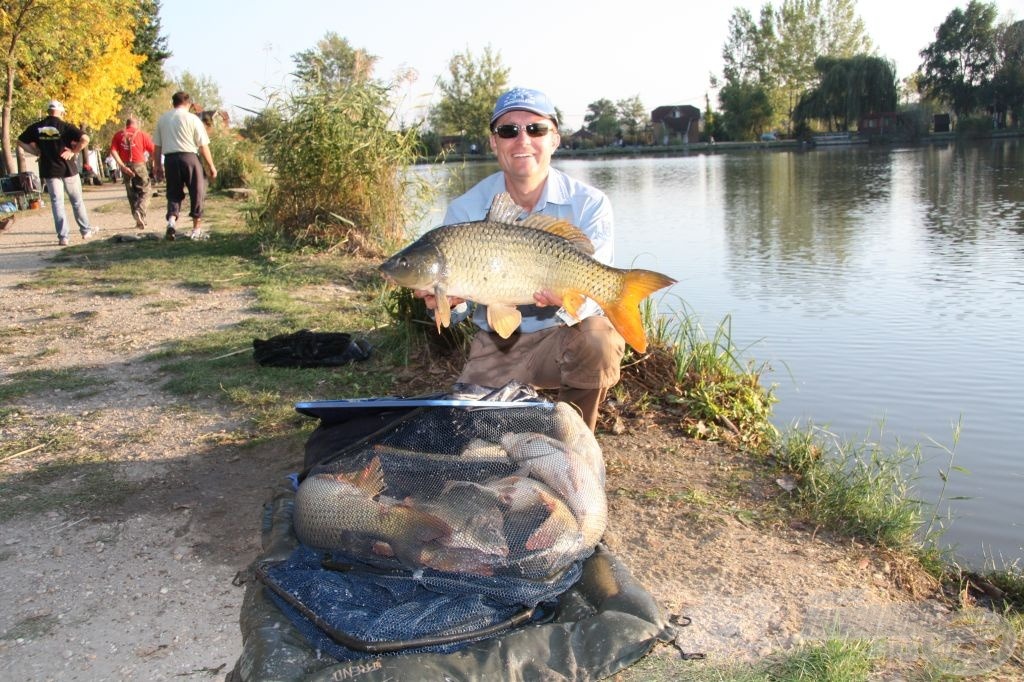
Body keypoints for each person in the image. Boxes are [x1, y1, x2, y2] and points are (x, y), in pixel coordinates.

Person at [415, 87, 624, 432]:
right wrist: (447, 304)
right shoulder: (465, 210)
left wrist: (571, 298)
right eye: (508, 131)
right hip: (498, 340)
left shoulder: (590, 203)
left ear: (554, 139)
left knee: (597, 341)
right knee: (472, 434)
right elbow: (462, 311)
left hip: (563, 334)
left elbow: (593, 292)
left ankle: (574, 438)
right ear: (494, 143)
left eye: (536, 129)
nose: (522, 139)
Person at [17, 100, 99, 246]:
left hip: (49, 170)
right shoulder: (65, 126)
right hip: (68, 169)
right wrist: (74, 152)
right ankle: (85, 231)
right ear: (60, 112)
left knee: (57, 203)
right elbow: (85, 138)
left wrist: (36, 151)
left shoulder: (37, 127)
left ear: (48, 111)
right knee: (77, 201)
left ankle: (63, 237)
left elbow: (20, 141)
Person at [151, 91, 217, 240]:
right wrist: (211, 165)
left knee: (173, 192)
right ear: (188, 103)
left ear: (173, 103)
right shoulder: (192, 119)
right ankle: (196, 228)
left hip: (170, 159)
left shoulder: (163, 120)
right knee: (197, 190)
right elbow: (203, 146)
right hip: (189, 157)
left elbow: (157, 146)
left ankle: (172, 221)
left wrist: (157, 166)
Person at [110, 116, 156, 229]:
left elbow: (113, 151)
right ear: (137, 124)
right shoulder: (142, 135)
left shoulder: (118, 135)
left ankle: (139, 220)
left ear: (126, 125)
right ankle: (140, 211)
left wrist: (121, 165)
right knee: (146, 190)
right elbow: (153, 150)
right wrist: (153, 164)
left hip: (125, 165)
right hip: (139, 165)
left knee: (132, 193)